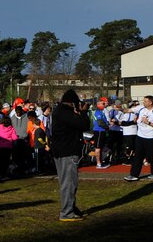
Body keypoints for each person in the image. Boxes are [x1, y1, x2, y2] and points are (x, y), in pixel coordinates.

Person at [50, 89, 91, 221]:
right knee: (69, 183)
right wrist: (83, 112)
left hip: (61, 151)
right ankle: (67, 212)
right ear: (72, 103)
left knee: (67, 182)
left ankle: (71, 208)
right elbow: (84, 125)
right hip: (67, 151)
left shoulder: (59, 111)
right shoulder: (64, 113)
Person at [124, 96, 153, 181]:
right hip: (140, 136)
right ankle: (134, 175)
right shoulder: (141, 108)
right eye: (143, 101)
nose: (143, 103)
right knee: (138, 156)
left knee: (152, 157)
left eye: (145, 101)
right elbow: (129, 110)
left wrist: (148, 122)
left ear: (150, 102)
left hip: (151, 137)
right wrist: (119, 109)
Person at [91, 98, 111, 169]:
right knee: (98, 147)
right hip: (99, 131)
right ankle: (98, 163)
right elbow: (100, 123)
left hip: (102, 131)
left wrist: (108, 124)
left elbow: (104, 121)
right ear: (98, 104)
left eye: (104, 103)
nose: (104, 105)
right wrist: (107, 127)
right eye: (103, 104)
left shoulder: (101, 111)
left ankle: (100, 162)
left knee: (100, 147)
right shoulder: (98, 112)